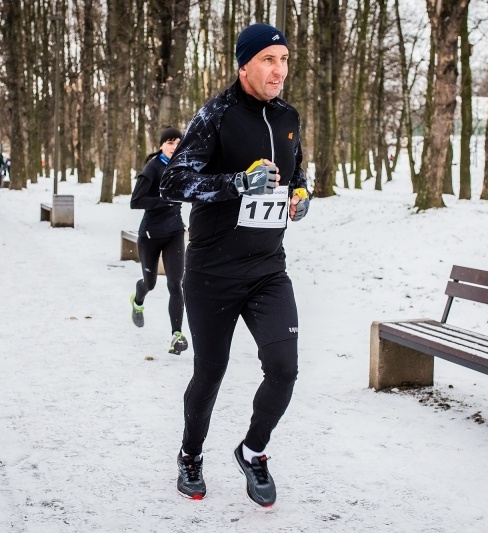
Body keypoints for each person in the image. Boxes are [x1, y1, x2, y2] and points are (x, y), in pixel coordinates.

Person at [160, 23, 311, 507]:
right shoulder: (216, 115)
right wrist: (237, 184)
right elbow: (174, 182)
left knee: (284, 368)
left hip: (268, 269)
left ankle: (253, 450)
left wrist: (301, 194)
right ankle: (190, 454)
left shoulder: (289, 116)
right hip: (213, 272)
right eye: (269, 60)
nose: (279, 71)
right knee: (210, 372)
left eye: (284, 60)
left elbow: (297, 171)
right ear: (244, 65)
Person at [129, 126, 189, 355]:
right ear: (162, 145)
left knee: (175, 284)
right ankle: (138, 299)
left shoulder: (182, 166)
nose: (174, 147)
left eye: (178, 143)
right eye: (170, 143)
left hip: (174, 233)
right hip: (150, 235)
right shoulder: (152, 168)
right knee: (150, 283)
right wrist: (165, 199)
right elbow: (136, 201)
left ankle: (176, 336)